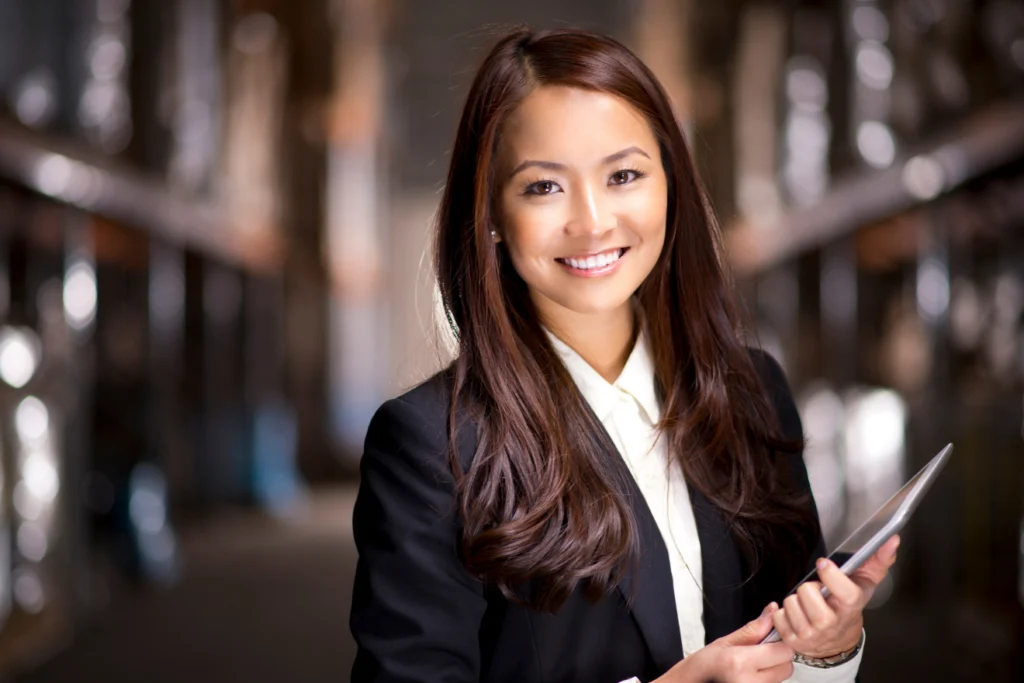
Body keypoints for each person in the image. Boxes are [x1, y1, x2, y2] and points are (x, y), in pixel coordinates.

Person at [350, 27, 899, 683]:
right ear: (490, 211)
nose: (592, 221)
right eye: (544, 187)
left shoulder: (751, 392)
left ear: (671, 180)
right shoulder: (432, 443)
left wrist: (831, 646)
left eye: (624, 175)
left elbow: (787, 659)